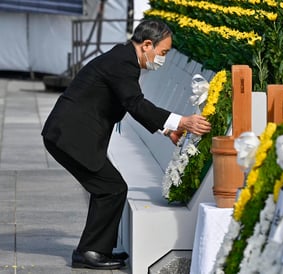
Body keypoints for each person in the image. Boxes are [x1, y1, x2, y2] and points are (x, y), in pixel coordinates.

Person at [41, 19, 211, 270]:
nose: (161, 59)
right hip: (69, 136)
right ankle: (90, 251)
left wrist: (166, 130)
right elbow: (135, 103)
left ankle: (95, 249)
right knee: (111, 188)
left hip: (69, 134)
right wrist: (181, 121)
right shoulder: (123, 63)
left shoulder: (123, 58)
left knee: (110, 187)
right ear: (147, 45)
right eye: (162, 53)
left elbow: (129, 102)